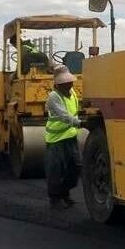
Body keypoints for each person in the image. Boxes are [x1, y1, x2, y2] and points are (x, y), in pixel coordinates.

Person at [44, 67, 81, 209]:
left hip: (71, 136)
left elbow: (75, 111)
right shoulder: (54, 97)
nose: (70, 84)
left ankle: (64, 191)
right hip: (56, 139)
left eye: (70, 82)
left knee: (76, 167)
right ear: (58, 84)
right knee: (55, 169)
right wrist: (79, 123)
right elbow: (63, 115)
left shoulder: (73, 94)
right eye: (66, 83)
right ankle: (54, 197)